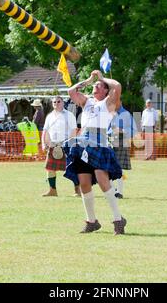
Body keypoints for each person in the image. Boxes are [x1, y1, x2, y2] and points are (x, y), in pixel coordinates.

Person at [64, 70, 126, 235]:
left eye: (99, 86)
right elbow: (71, 91)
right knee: (83, 183)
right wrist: (89, 79)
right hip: (83, 143)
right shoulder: (87, 102)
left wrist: (102, 77)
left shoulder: (109, 103)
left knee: (102, 180)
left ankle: (118, 219)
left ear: (106, 90)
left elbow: (117, 86)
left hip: (99, 144)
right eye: (95, 85)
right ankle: (92, 221)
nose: (95, 87)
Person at [41, 96, 80, 197]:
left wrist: (69, 143)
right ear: (52, 104)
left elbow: (74, 130)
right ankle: (52, 190)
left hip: (66, 145)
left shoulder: (69, 115)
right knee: (50, 169)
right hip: (53, 145)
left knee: (72, 168)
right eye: (54, 102)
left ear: (63, 103)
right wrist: (44, 143)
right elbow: (45, 131)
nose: (56, 103)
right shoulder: (49, 116)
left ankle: (77, 190)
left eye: (59, 102)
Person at [108, 104, 137, 199]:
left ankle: (119, 192)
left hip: (121, 140)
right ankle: (112, 190)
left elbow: (134, 130)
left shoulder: (126, 114)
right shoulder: (109, 113)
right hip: (109, 140)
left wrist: (122, 131)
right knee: (107, 167)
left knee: (119, 167)